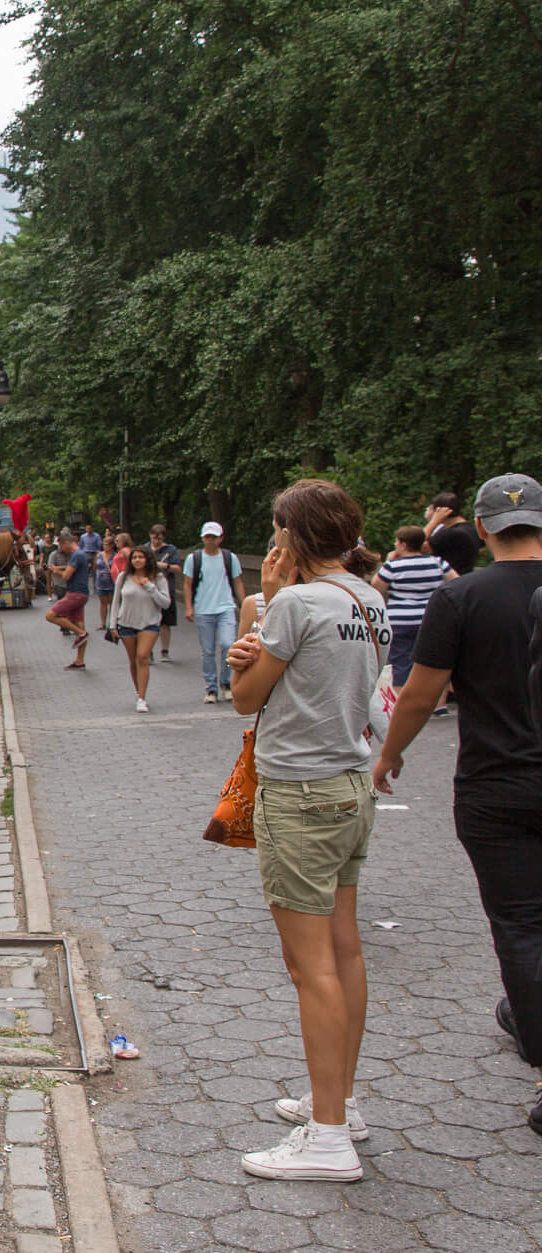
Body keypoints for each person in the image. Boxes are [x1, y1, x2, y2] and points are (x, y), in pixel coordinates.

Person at [226, 479, 389, 1182]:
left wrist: (253, 621)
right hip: (351, 784)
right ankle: (340, 1101)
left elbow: (244, 697)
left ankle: (327, 1140)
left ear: (290, 537)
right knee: (345, 950)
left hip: (299, 789)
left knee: (309, 966)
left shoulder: (293, 602)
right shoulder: (367, 596)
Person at [374, 475, 542, 1137]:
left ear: (478, 526)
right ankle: (520, 1011)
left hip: (495, 783)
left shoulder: (461, 596)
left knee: (522, 925)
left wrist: (389, 754)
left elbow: (420, 692)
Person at [373, 527, 453, 689]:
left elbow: (376, 588)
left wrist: (390, 560)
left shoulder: (392, 566)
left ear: (403, 544)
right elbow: (455, 582)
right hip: (431, 618)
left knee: (400, 663)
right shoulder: (438, 563)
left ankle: (399, 701)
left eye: (397, 541)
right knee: (433, 662)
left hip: (400, 620)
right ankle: (439, 705)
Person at [185, 522, 245, 704]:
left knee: (228, 645)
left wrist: (244, 604)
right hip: (204, 609)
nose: (210, 540)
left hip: (225, 608)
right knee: (208, 651)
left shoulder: (229, 558)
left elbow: (238, 581)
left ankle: (226, 682)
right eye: (207, 537)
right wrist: (189, 606)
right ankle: (211, 688)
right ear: (203, 538)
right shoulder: (194, 559)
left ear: (221, 538)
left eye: (214, 537)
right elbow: (187, 583)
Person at [114, 546, 171, 712]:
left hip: (149, 623)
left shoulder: (157, 578)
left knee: (142, 657)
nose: (137, 560)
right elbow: (116, 601)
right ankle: (139, 691)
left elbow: (166, 603)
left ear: (148, 559)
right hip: (126, 623)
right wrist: (112, 625)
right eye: (134, 557)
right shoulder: (124, 577)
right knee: (133, 661)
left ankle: (142, 698)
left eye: (141, 557)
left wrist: (149, 587)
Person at [43, 530, 93, 669]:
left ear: (66, 543)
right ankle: (79, 660)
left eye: (61, 546)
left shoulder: (75, 555)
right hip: (82, 593)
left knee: (50, 616)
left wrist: (56, 571)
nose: (61, 550)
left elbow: (66, 576)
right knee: (79, 624)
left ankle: (81, 634)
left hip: (75, 593)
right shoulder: (80, 554)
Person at [426, 491, 483, 576]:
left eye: (431, 508)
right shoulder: (469, 528)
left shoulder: (452, 533)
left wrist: (434, 521)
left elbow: (413, 545)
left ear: (439, 511)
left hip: (451, 581)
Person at [150, 525, 181, 661]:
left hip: (166, 589)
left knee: (165, 623)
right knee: (149, 622)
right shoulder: (145, 549)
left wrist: (165, 566)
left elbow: (178, 568)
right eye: (154, 537)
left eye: (160, 538)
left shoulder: (170, 550)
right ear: (150, 535)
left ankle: (164, 651)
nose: (157, 540)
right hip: (149, 589)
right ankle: (148, 651)